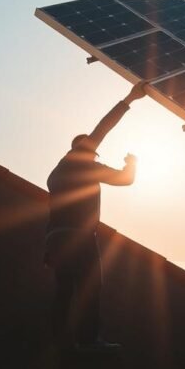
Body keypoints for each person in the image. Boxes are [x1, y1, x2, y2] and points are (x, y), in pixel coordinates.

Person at [45, 82, 147, 352]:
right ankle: (88, 341)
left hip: (55, 239)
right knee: (90, 287)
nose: (95, 154)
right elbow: (103, 128)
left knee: (65, 289)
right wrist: (130, 99)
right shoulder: (79, 161)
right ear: (81, 148)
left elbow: (125, 180)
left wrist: (131, 166)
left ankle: (58, 341)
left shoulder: (61, 172)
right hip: (78, 237)